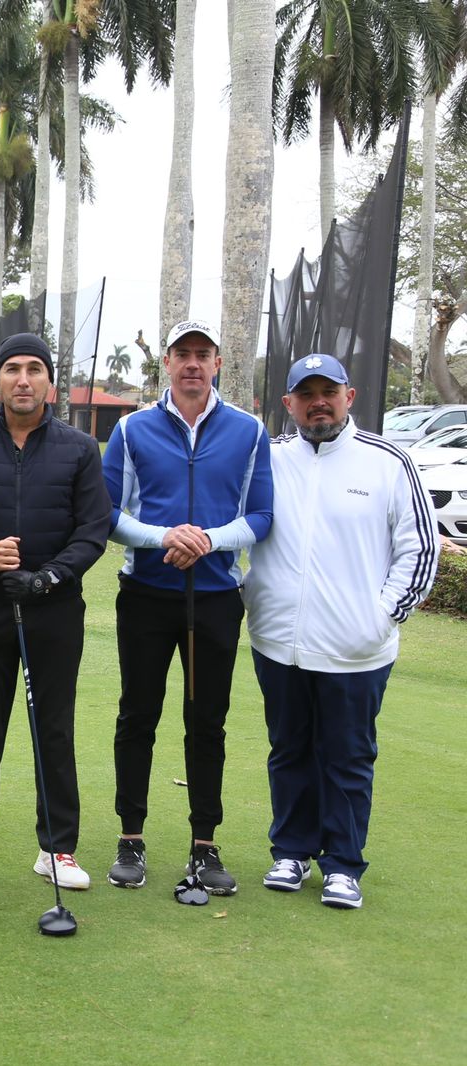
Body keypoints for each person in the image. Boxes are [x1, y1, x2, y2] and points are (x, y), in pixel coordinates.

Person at [242, 354, 437, 910]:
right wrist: (251, 596)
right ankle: (291, 852)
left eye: (329, 392)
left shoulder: (388, 461)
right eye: (306, 395)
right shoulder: (268, 458)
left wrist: (380, 617)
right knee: (288, 750)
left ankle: (344, 864)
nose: (318, 403)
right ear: (289, 404)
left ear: (349, 396)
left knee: (347, 756)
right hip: (277, 642)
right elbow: (237, 526)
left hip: (357, 649)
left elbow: (419, 550)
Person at [99, 320, 273, 893]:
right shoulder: (132, 429)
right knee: (137, 715)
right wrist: (164, 537)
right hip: (146, 597)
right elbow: (107, 512)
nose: (193, 363)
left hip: (216, 599)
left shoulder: (248, 430)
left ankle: (204, 844)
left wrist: (206, 541)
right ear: (167, 364)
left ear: (217, 363)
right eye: (182, 354)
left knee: (206, 722)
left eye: (203, 354)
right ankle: (131, 837)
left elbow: (260, 515)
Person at [0, 332, 110, 890]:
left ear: (50, 383)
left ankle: (57, 849)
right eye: (13, 369)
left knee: (52, 729)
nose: (24, 379)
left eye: (35, 369)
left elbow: (92, 530)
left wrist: (48, 576)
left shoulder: (79, 449)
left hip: (54, 611)